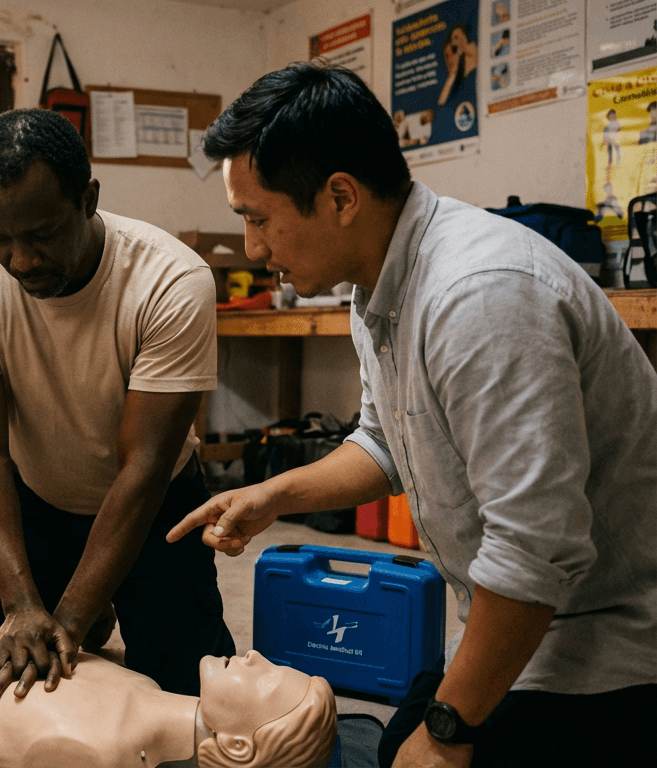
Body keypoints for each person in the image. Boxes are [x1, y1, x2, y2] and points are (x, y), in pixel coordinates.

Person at [172, 61, 657, 768]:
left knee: (425, 748)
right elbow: (385, 441)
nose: (252, 248)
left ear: (340, 196)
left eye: (257, 218)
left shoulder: (480, 296)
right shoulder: (379, 285)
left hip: (610, 652)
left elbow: (532, 551)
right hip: (527, 626)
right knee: (393, 741)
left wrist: (450, 731)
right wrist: (276, 494)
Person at [0, 108, 235, 701]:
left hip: (157, 511)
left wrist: (68, 623)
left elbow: (143, 468)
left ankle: (100, 616)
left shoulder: (172, 281)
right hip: (37, 503)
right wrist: (22, 607)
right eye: (0, 238)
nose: (20, 261)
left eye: (42, 235)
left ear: (88, 198)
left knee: (191, 698)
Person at [0, 650, 336, 768]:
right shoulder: (142, 691)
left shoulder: (101, 750)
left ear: (236, 744)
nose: (255, 657)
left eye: (267, 678)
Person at [437, 24, 478, 106]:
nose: (450, 59)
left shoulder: (472, 60)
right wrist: (451, 75)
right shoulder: (453, 83)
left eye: (453, 51)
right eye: (447, 56)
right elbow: (440, 105)